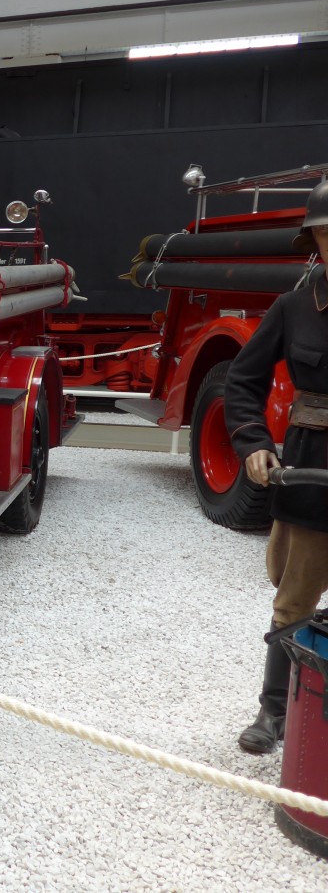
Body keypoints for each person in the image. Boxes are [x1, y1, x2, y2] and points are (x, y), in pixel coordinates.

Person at [224, 179, 328, 754]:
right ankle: (273, 712)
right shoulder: (293, 306)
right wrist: (254, 443)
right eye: (327, 233)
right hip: (312, 474)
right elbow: (242, 381)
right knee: (294, 602)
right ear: (313, 238)